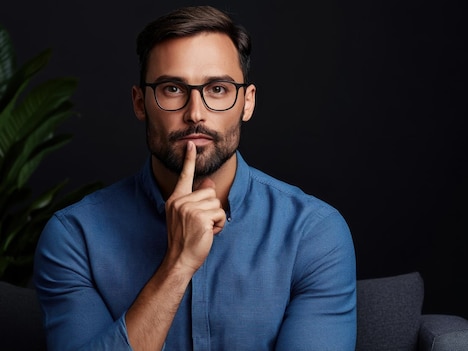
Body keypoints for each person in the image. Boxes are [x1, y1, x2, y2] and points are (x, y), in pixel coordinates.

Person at [33, 5, 356, 351]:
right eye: (172, 89)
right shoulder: (74, 237)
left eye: (218, 89)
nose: (195, 114)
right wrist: (177, 265)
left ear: (247, 103)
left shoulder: (313, 232)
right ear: (140, 103)